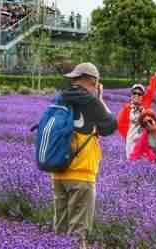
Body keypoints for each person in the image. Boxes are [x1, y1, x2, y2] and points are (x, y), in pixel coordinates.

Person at [52, 63, 117, 249]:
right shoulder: (90, 101)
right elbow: (110, 126)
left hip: (57, 172)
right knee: (77, 233)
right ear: (92, 82)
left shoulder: (59, 99)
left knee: (60, 230)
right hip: (81, 174)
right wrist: (100, 99)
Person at [118, 67, 156, 159]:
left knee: (145, 161)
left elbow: (151, 90)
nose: (136, 95)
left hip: (145, 141)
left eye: (139, 94)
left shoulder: (145, 105)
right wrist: (128, 136)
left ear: (142, 96)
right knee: (132, 161)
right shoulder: (126, 109)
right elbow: (120, 124)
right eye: (134, 93)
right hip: (131, 141)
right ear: (131, 95)